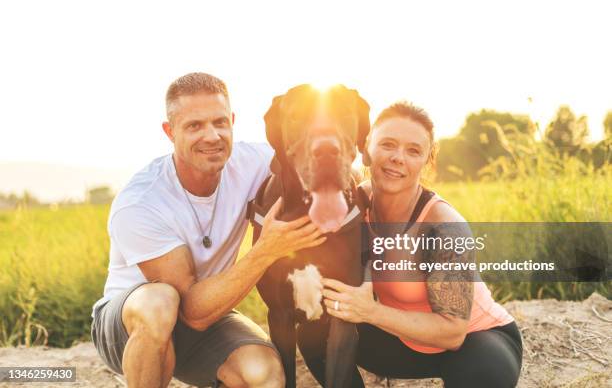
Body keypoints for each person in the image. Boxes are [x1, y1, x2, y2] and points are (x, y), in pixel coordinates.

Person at [90, 72, 326, 388]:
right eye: (194, 126)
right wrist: (266, 251)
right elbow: (191, 312)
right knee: (160, 303)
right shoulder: (141, 203)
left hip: (205, 321)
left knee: (264, 373)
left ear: (232, 121)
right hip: (130, 324)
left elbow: (316, 167)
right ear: (169, 131)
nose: (212, 136)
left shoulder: (256, 162)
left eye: (219, 122)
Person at [321, 102, 523, 387]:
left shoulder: (444, 226)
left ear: (427, 161)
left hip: (474, 340)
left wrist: (370, 311)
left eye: (413, 150)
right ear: (366, 149)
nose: (398, 158)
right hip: (403, 340)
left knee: (479, 375)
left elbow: (453, 332)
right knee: (314, 335)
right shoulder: (354, 202)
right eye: (388, 145)